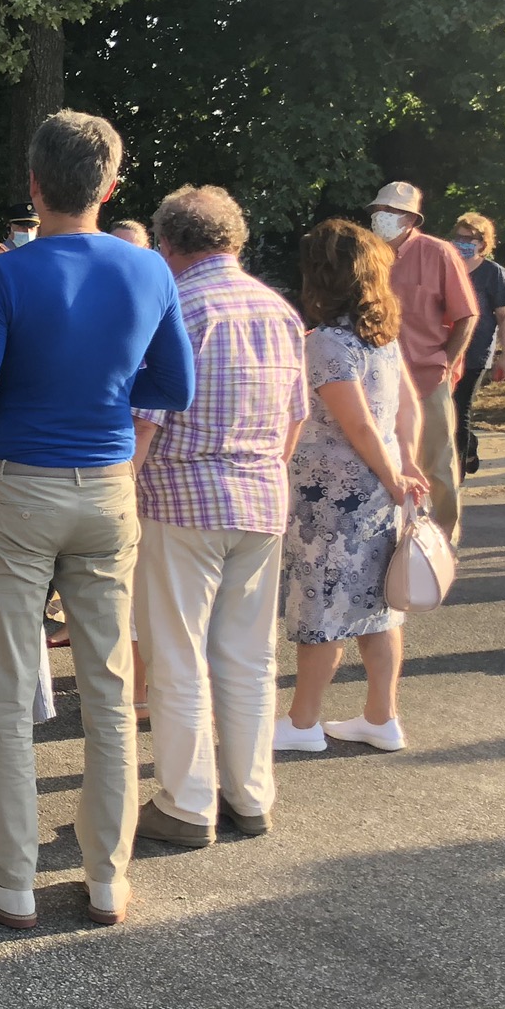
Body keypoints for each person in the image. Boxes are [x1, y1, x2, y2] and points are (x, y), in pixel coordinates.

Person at [0, 111, 194, 930]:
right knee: (110, 687)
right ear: (111, 186)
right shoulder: (150, 271)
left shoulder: (5, 277)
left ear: (33, 185)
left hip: (20, 486)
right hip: (108, 487)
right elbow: (177, 387)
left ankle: (12, 877)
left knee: (13, 687)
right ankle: (104, 874)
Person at [131, 187, 307, 847]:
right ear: (234, 242)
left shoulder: (179, 307)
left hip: (182, 500)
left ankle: (186, 802)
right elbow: (294, 422)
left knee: (178, 655)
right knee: (249, 656)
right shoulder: (280, 311)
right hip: (261, 496)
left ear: (170, 246)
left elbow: (146, 422)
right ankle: (250, 794)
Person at [276, 219, 429, 756]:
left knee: (321, 606)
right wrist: (404, 470)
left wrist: (393, 475)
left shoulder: (327, 343)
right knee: (377, 607)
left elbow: (355, 424)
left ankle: (302, 722)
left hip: (331, 496)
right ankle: (381, 716)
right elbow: (407, 406)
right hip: (378, 493)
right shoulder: (380, 340)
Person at [367, 182, 477, 544]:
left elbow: (467, 314)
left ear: (412, 218)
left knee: (437, 467)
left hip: (426, 377)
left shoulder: (439, 253)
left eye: (392, 211)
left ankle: (443, 546)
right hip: (374, 378)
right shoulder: (366, 254)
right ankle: (393, 542)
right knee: (381, 463)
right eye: (378, 210)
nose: (382, 217)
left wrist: (447, 361)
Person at [450, 212, 505, 478]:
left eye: (470, 238)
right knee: (443, 409)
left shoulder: (493, 273)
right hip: (444, 349)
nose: (463, 242)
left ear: (482, 243)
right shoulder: (447, 265)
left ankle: (457, 473)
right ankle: (470, 445)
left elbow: (504, 315)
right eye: (459, 237)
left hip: (475, 352)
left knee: (459, 408)